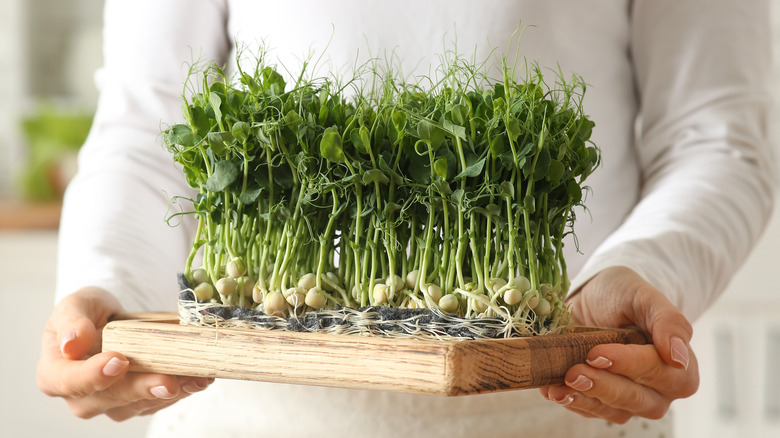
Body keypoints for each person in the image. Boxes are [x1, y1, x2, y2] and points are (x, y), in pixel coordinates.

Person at [36, 0, 774, 437]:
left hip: (552, 409)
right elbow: (147, 126)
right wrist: (108, 287)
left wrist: (644, 268)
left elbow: (717, 139)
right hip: (250, 410)